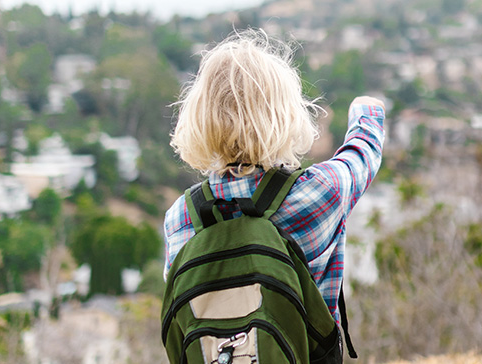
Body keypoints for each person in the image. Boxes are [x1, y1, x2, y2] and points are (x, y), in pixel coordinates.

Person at [163, 28, 385, 327]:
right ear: (286, 114)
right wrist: (367, 105)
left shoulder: (181, 216)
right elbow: (364, 152)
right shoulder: (318, 193)